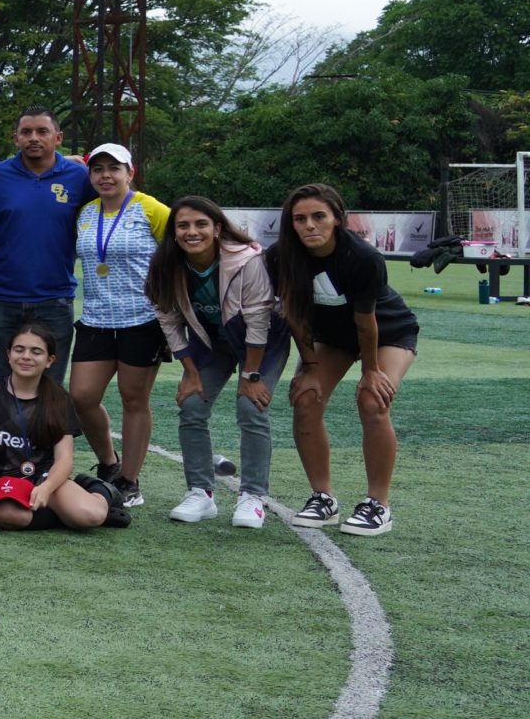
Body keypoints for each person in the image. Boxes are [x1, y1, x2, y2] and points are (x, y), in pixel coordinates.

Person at [267, 183, 420, 537]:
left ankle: (378, 505)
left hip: (388, 331)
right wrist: (310, 367)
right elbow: (294, 314)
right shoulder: (280, 256)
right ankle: (323, 498)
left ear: (337, 218)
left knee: (372, 400)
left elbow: (366, 323)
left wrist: (371, 370)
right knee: (306, 398)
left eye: (318, 216)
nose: (309, 225)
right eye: (300, 219)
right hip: (333, 337)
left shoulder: (363, 257)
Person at [146, 196, 283, 528]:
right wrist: (190, 373)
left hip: (261, 344)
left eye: (201, 224)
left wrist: (251, 376)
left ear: (217, 228)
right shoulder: (167, 264)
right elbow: (169, 322)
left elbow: (259, 321)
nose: (192, 232)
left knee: (251, 407)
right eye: (183, 226)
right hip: (214, 344)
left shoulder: (247, 260)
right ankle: (201, 493)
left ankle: (252, 497)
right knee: (192, 404)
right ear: (174, 232)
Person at [69, 142, 171, 509]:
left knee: (133, 398)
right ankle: (109, 465)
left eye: (114, 168)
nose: (106, 176)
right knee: (82, 397)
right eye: (98, 169)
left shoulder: (151, 208)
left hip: (142, 320)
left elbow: (181, 251)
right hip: (96, 319)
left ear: (130, 173)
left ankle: (129, 481)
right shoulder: (85, 212)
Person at [0, 321, 120, 532]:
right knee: (12, 516)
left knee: (92, 516)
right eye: (19, 349)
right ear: (8, 355)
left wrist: (47, 488)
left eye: (36, 352)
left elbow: (64, 458)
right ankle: (65, 513)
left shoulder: (59, 398)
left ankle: (98, 489)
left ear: (50, 360)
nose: (26, 356)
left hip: (42, 478)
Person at [0, 107, 93, 387]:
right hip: (1, 296)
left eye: (42, 131)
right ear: (15, 138)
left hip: (55, 298)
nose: (34, 138)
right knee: (1, 385)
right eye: (26, 132)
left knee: (50, 388)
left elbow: (112, 205)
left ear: (58, 137)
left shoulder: (79, 177)